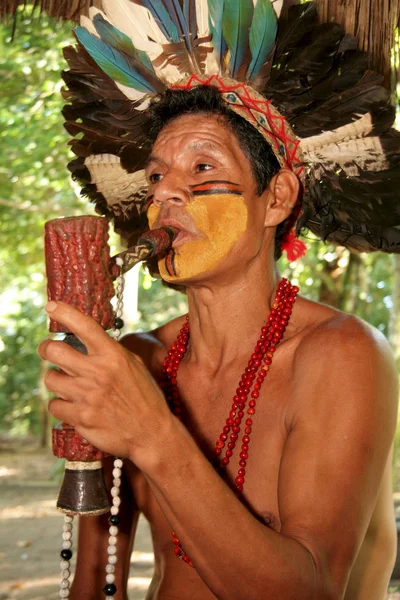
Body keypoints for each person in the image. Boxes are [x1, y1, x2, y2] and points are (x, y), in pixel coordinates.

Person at [38, 1, 400, 598]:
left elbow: (310, 589)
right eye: (154, 178)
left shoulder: (342, 356)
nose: (165, 195)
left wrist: (151, 431)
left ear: (276, 198)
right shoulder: (139, 361)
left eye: (201, 168)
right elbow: (95, 582)